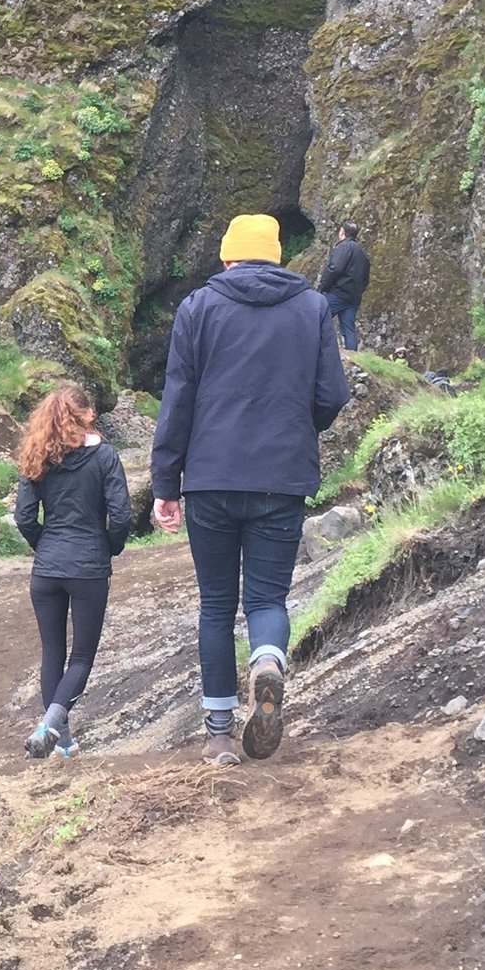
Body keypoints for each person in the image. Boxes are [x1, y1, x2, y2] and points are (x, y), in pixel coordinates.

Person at [150, 213, 350, 766]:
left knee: (216, 605)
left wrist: (166, 483)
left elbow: (178, 403)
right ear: (278, 256)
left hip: (210, 478)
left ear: (227, 257)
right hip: (281, 479)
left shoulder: (198, 308)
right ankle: (267, 661)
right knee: (267, 598)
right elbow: (332, 394)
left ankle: (218, 736)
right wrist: (294, 424)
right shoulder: (312, 308)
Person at [12, 385, 133, 760]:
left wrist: (43, 545)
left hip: (46, 570)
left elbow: (24, 517)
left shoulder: (36, 457)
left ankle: (61, 744)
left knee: (52, 652)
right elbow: (122, 515)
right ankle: (50, 729)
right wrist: (108, 547)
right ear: (88, 415)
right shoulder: (105, 458)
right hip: (88, 568)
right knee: (81, 658)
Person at [315, 220, 370, 353]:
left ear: (342, 232)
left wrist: (323, 286)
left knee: (316, 319)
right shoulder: (362, 253)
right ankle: (353, 357)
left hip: (337, 293)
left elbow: (335, 268)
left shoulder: (344, 247)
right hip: (353, 297)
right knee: (348, 329)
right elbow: (366, 278)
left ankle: (312, 349)